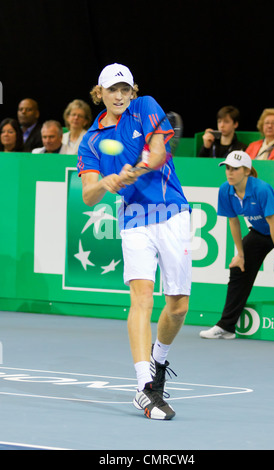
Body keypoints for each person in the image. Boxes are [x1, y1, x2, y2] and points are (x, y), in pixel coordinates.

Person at [77, 63, 192, 420]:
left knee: (178, 307)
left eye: (125, 89)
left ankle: (158, 361)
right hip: (134, 220)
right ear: (100, 93)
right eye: (113, 90)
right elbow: (89, 196)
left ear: (132, 91)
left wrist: (135, 171)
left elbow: (158, 153)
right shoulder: (90, 140)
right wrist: (107, 182)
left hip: (172, 212)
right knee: (141, 298)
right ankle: (144, 386)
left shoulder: (146, 107)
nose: (120, 95)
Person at [199, 150, 274, 345]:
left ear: (247, 171)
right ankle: (226, 327)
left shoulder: (261, 189)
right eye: (227, 168)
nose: (229, 172)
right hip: (259, 231)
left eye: (235, 169)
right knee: (238, 268)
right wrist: (240, 254)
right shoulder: (225, 190)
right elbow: (233, 222)